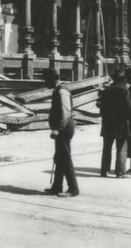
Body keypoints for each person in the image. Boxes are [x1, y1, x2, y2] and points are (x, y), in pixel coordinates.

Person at [43, 69, 79, 197]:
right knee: (59, 157)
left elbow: (66, 112)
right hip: (62, 128)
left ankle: (73, 189)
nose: (45, 83)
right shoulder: (57, 90)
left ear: (53, 79)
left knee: (64, 158)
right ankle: (57, 187)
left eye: (46, 80)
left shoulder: (62, 90)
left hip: (64, 128)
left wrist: (58, 129)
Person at [97, 70, 131, 178]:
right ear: (123, 79)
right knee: (121, 147)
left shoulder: (107, 90)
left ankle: (104, 170)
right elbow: (129, 108)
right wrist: (128, 118)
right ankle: (120, 172)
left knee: (107, 148)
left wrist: (106, 118)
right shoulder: (124, 90)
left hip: (108, 123)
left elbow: (101, 108)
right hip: (121, 124)